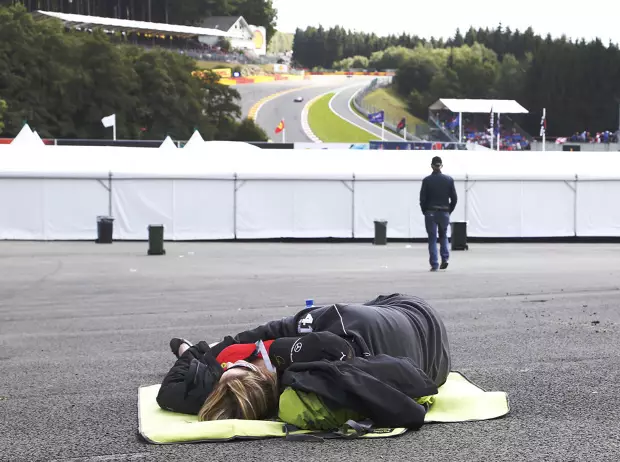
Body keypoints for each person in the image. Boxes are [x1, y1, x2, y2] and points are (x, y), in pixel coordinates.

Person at [156, 293, 451, 431]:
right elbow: (273, 331)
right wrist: (215, 349)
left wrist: (190, 352)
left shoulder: (273, 397)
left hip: (436, 367)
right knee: (358, 309)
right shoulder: (315, 341)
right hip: (416, 313)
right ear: (255, 369)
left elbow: (168, 392)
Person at [419, 156, 458, 272]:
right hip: (444, 211)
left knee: (432, 238)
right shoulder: (449, 180)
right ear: (441, 166)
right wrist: (449, 210)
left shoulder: (427, 180)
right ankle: (445, 259)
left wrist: (425, 211)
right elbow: (454, 198)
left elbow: (422, 199)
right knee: (443, 236)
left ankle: (434, 264)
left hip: (430, 212)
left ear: (431, 166)